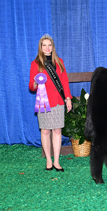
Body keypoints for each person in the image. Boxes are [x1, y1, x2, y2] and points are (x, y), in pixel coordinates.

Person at [29, 34, 72, 171]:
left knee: (57, 130)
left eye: (49, 45)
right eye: (44, 45)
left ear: (53, 47)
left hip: (59, 101)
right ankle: (48, 160)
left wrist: (68, 98)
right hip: (44, 102)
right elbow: (31, 86)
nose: (47, 48)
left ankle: (57, 160)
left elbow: (64, 82)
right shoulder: (35, 64)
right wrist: (36, 82)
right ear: (40, 48)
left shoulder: (60, 62)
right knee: (46, 131)